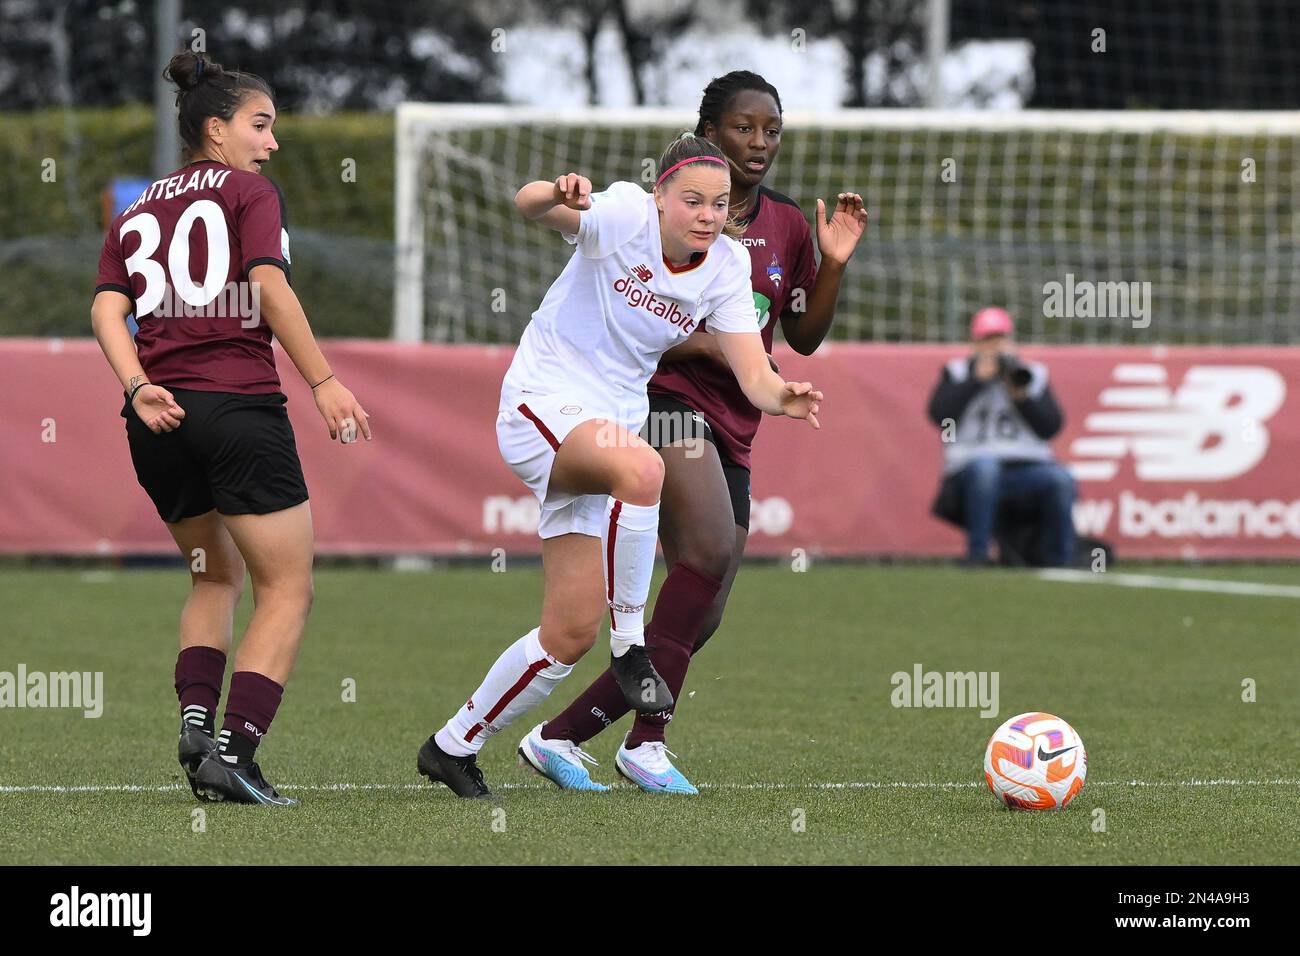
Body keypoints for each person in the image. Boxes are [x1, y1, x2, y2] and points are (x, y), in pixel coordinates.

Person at [417, 132, 825, 798]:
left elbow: (754, 374)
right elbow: (530, 205)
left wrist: (784, 395)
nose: (707, 214)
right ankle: (631, 645)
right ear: (660, 195)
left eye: (719, 204)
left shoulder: (724, 266)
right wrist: (558, 193)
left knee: (568, 632)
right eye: (691, 199)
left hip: (603, 430)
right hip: (542, 403)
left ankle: (453, 745)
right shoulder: (626, 214)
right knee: (643, 471)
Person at [524, 71, 867, 794]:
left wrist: (832, 264)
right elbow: (640, 325)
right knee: (708, 549)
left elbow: (800, 334)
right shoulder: (658, 215)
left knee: (701, 609)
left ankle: (566, 738)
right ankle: (642, 746)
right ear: (708, 132)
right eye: (744, 127)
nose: (759, 142)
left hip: (739, 419)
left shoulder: (784, 225)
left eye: (771, 130)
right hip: (665, 403)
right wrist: (710, 345)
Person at [90, 51, 370, 805]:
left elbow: (106, 309)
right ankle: (234, 754)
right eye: (260, 124)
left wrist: (139, 384)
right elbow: (268, 287)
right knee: (289, 588)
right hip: (236, 405)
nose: (272, 142)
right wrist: (323, 380)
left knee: (212, 573)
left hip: (156, 416)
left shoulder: (139, 206)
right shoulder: (251, 192)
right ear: (216, 128)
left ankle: (194, 724)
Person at [927, 307, 1076, 567]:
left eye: (1000, 339)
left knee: (1060, 479)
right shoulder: (959, 372)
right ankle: (978, 555)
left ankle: (1061, 562)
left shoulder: (1032, 374)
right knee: (986, 470)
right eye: (988, 340)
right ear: (975, 343)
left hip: (1026, 467)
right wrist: (976, 382)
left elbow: (1051, 427)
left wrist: (1022, 397)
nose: (995, 347)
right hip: (971, 468)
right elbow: (940, 416)